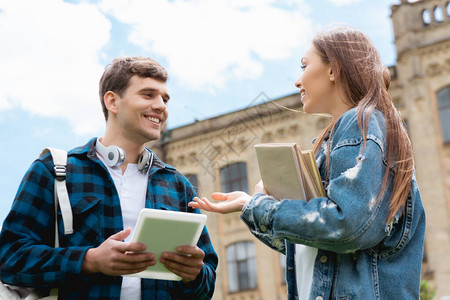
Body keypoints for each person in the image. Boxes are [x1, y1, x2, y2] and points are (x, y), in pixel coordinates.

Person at [189, 27, 426, 300]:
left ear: (333, 69)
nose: (297, 81)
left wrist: (259, 206)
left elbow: (347, 226)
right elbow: (312, 247)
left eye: (304, 66)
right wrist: (250, 206)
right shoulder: (341, 135)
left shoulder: (361, 122)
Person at [0, 57, 218, 299]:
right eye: (148, 95)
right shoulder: (53, 171)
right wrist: (89, 260)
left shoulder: (178, 186)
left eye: (164, 99)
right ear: (112, 101)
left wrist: (195, 275)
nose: (161, 106)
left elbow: (206, 284)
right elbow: (10, 258)